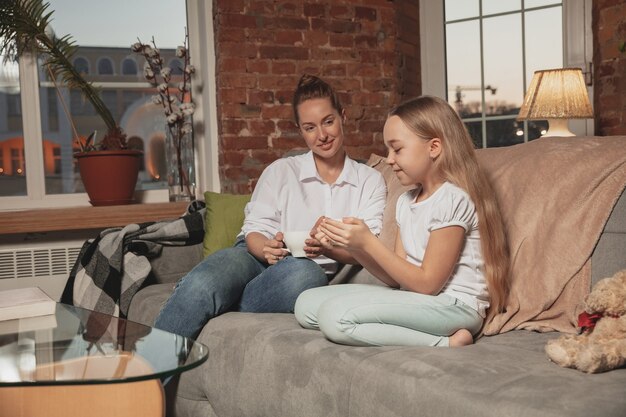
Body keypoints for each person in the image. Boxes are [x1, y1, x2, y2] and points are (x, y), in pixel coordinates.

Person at [154, 74, 387, 339]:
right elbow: (254, 230)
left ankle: (224, 301)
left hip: (300, 273)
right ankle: (145, 375)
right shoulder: (281, 171)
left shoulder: (369, 180)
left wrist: (328, 249)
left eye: (328, 122)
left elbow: (369, 249)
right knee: (204, 281)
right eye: (310, 127)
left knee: (306, 275)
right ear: (300, 130)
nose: (322, 135)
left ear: (343, 117)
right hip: (252, 258)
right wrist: (266, 248)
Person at [294, 95, 510, 347]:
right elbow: (396, 279)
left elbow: (429, 284)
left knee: (335, 317)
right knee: (305, 304)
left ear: (434, 148)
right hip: (418, 298)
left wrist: (369, 242)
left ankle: (447, 343)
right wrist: (357, 246)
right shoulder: (406, 202)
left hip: (454, 305)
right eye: (388, 150)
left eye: (397, 149)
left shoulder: (452, 199)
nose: (389, 159)